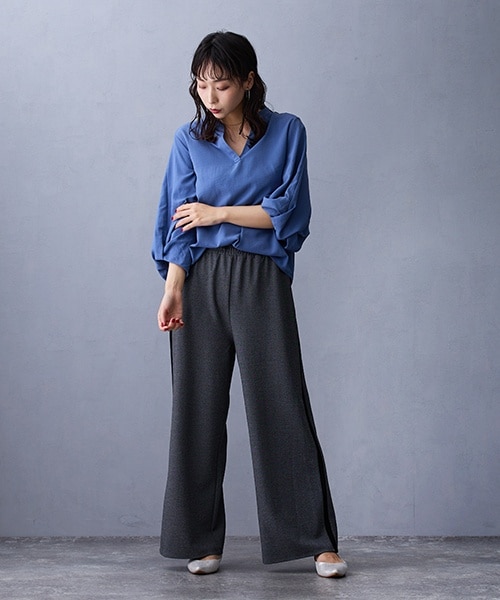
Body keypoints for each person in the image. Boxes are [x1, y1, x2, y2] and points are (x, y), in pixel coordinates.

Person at [152, 31, 347, 578]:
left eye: (221, 84)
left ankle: (316, 542)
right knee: (196, 408)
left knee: (281, 404)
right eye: (201, 84)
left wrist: (217, 213)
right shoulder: (189, 139)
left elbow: (287, 211)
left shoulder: (287, 131)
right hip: (199, 280)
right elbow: (178, 219)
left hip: (262, 278)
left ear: (248, 81)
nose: (210, 95)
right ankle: (200, 541)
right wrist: (172, 288)